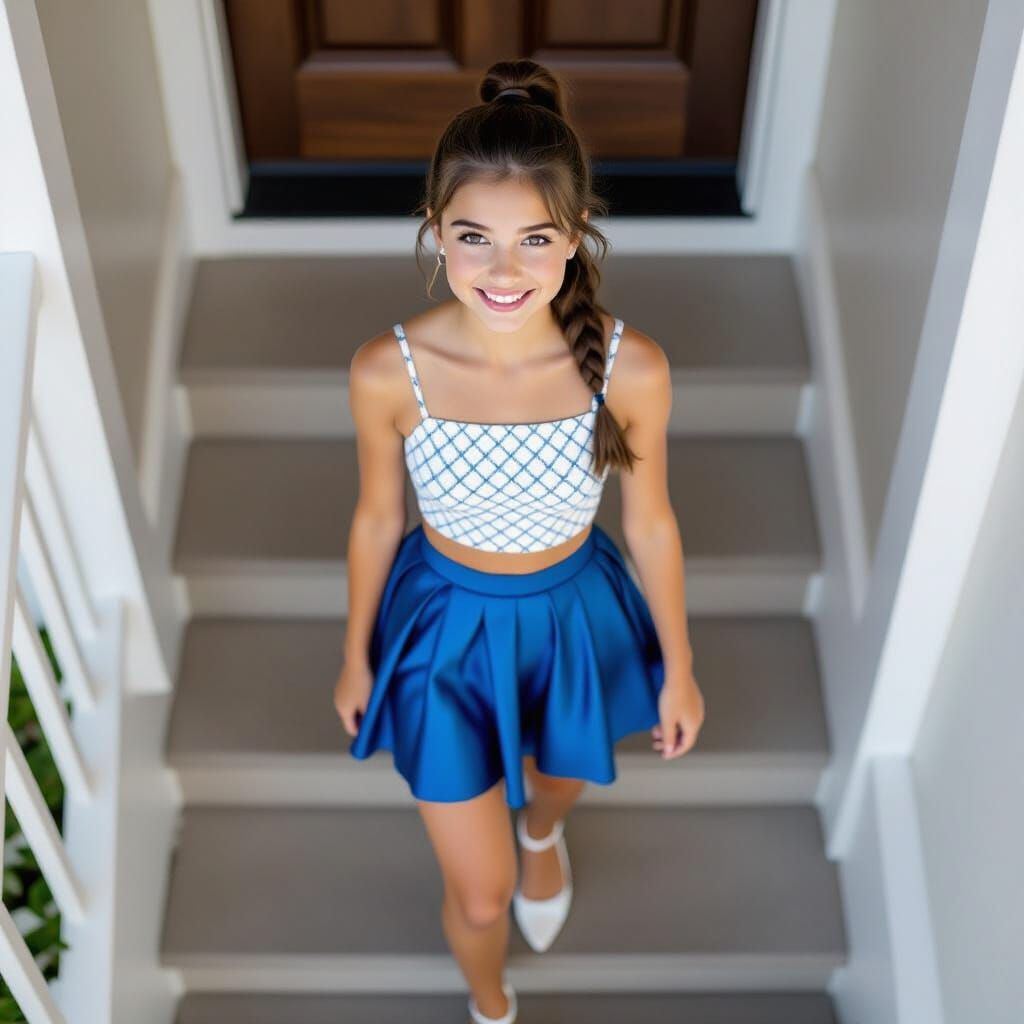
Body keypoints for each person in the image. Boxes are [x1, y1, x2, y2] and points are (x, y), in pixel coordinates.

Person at [334, 58, 704, 1024]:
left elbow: (651, 519)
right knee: (480, 893)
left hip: (577, 613)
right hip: (443, 633)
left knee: (556, 780)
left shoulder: (631, 366)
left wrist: (680, 664)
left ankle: (543, 832)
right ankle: (491, 1004)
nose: (505, 270)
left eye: (536, 238)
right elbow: (378, 516)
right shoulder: (390, 371)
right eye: (475, 238)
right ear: (435, 232)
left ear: (576, 236)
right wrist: (353, 655)